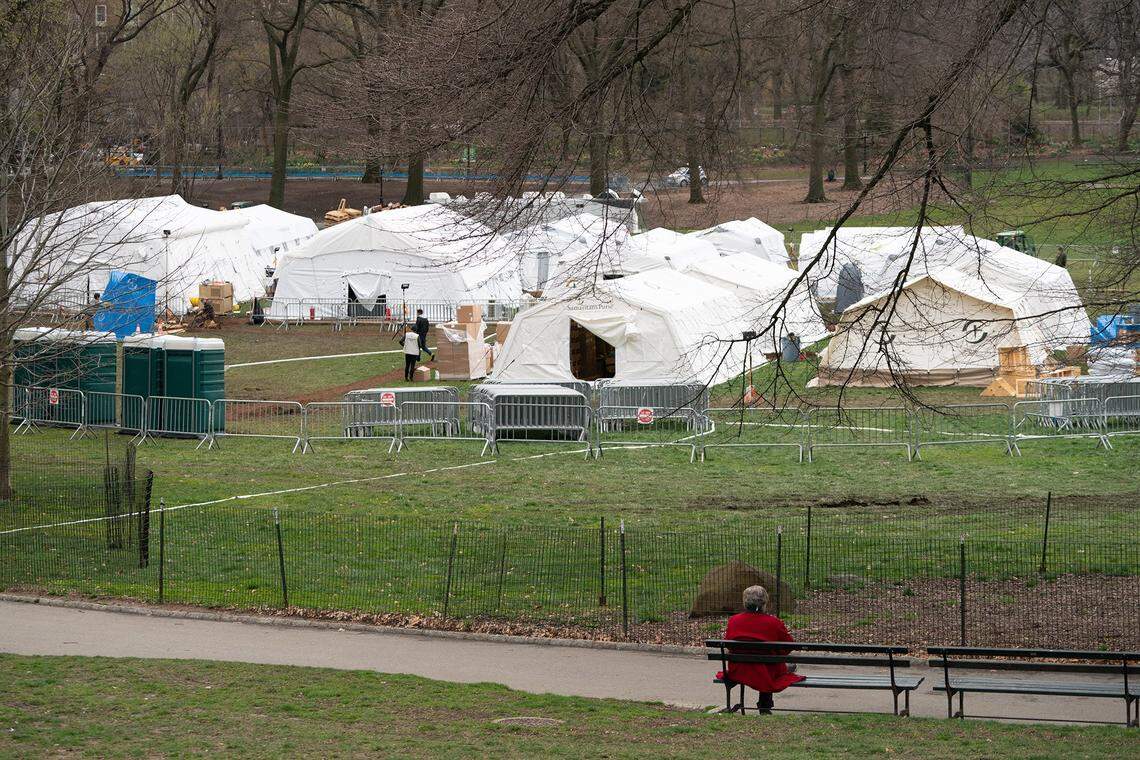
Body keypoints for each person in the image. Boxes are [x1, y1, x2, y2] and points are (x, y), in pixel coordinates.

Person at [719, 585, 804, 714]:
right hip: (765, 670)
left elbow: (730, 645)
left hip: (739, 669)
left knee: (766, 665)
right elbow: (789, 645)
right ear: (764, 602)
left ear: (745, 601)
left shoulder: (734, 621)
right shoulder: (773, 622)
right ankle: (764, 707)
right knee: (770, 666)